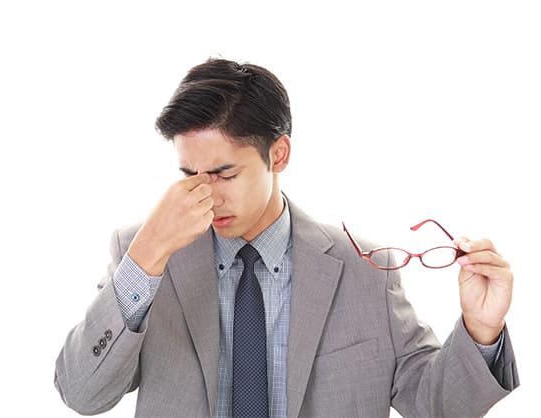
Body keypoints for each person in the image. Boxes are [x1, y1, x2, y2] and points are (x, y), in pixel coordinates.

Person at [54, 58, 518, 417]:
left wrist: (481, 330)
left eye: (224, 174)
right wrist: (148, 256)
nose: (205, 195)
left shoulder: (365, 270)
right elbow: (82, 394)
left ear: (278, 155)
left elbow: (436, 405)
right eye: (189, 175)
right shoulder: (144, 259)